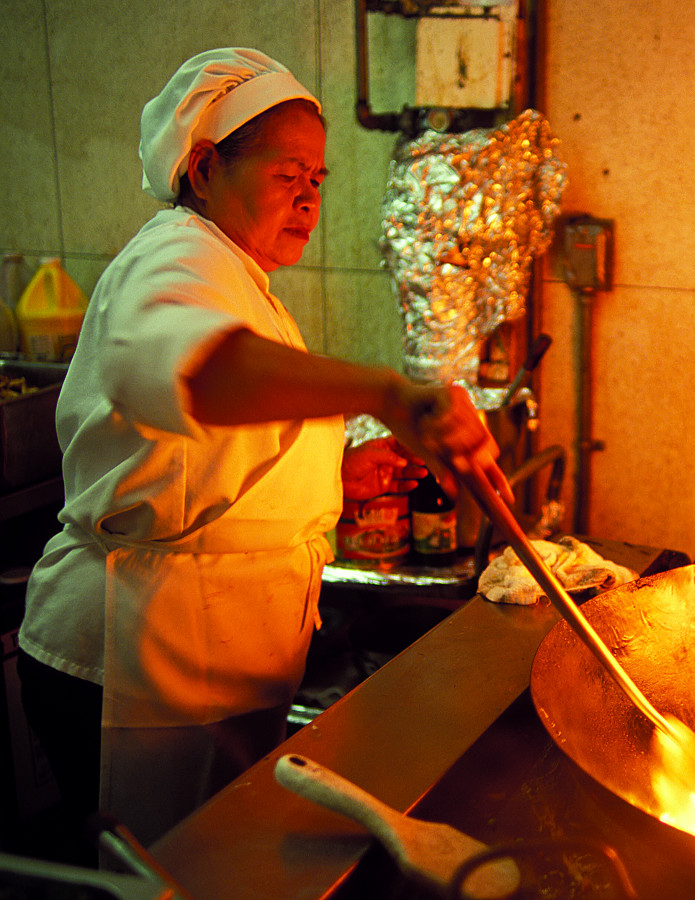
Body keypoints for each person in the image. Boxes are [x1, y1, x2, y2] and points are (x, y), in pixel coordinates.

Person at [15, 47, 513, 856]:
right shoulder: (172, 258)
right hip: (137, 663)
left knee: (212, 861)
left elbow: (212, 451)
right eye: (289, 175)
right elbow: (203, 374)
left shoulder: (235, 277)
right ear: (206, 168)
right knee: (164, 873)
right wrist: (384, 391)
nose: (309, 200)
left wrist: (338, 475)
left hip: (212, 655)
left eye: (318, 180)